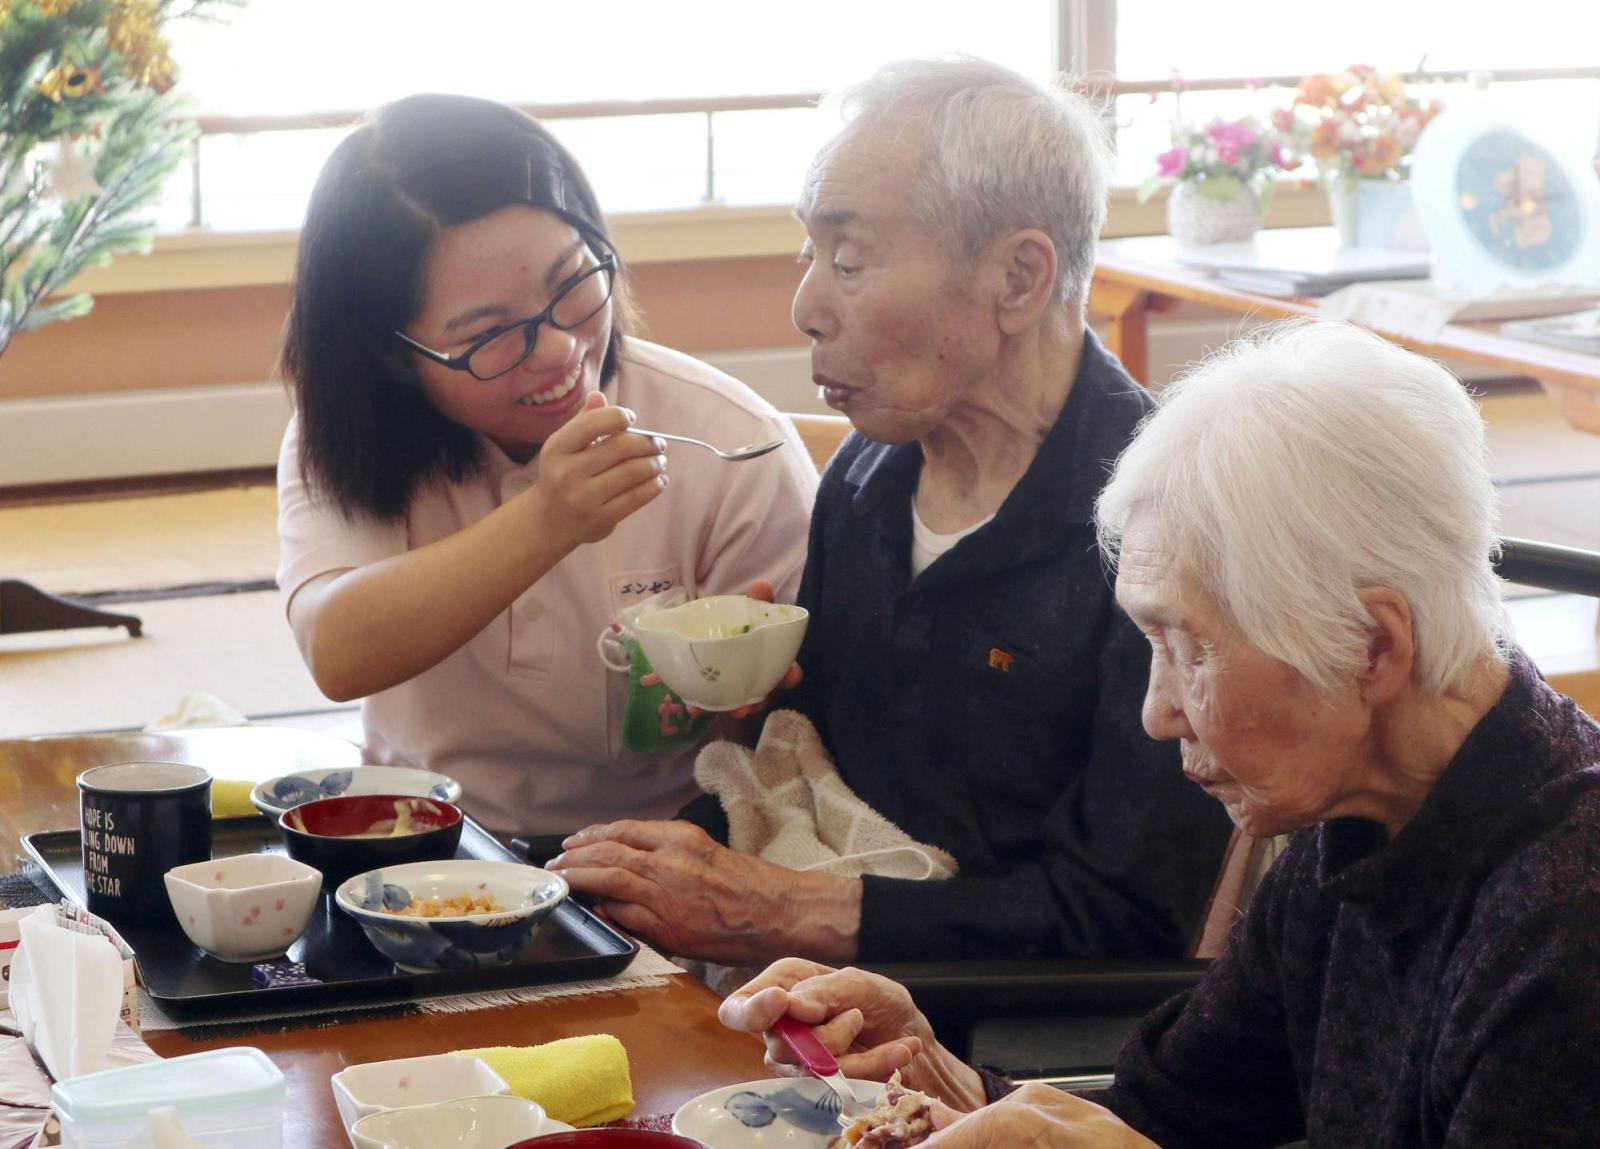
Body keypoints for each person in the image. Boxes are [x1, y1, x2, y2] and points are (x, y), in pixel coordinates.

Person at [719, 321, 1600, 1147]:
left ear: (1374, 645)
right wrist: (944, 1081)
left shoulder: (1566, 936)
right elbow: (1166, 1115)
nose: (1156, 709)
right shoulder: (1360, 832)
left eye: (1190, 647)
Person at [548, 58, 1231, 965]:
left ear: (1020, 278)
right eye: (810, 254)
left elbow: (1128, 918)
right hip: (809, 993)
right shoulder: (868, 473)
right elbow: (813, 770)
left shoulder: (1167, 528)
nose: (806, 306)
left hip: (993, 1051)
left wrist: (796, 911)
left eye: (850, 260)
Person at [276, 94, 818, 835]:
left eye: (571, 284)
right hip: (419, 838)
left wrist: (755, 691)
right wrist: (548, 519)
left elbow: (812, 733)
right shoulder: (351, 438)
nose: (561, 349)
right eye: (490, 333)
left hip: (667, 845)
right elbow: (337, 651)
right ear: (391, 354)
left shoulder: (729, 440)